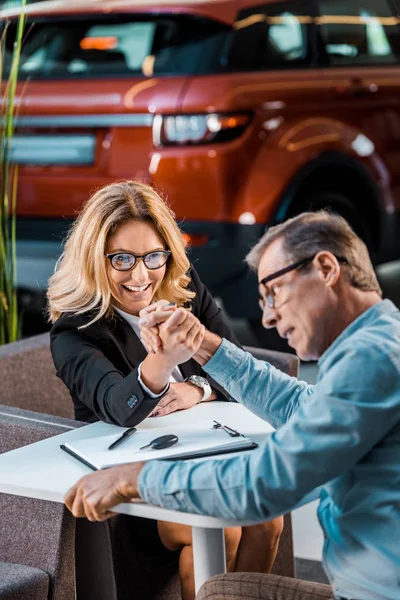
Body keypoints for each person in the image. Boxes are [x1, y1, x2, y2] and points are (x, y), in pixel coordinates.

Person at [64, 211, 400, 600]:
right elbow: (299, 405)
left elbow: (264, 483)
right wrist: (203, 344)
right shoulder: (380, 341)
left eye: (273, 292)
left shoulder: (372, 360)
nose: (270, 317)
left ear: (325, 268)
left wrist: (132, 478)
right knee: (225, 589)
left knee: (222, 592)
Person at [47, 180, 283, 600]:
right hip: (126, 494)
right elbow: (120, 406)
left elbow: (238, 364)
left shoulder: (184, 287)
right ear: (93, 260)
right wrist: (165, 358)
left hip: (205, 460)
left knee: (270, 519)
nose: (141, 275)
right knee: (220, 529)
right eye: (121, 259)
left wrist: (196, 389)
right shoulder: (75, 329)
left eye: (153, 256)